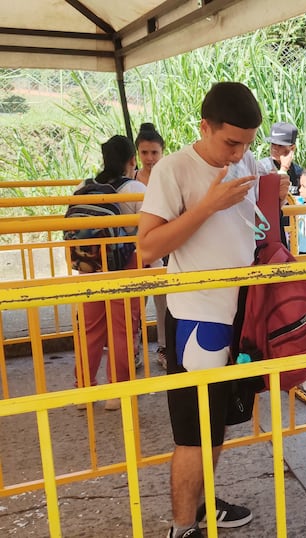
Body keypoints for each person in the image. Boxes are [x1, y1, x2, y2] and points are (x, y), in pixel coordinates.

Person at [138, 82, 268, 538]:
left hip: (239, 315)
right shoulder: (173, 169)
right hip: (197, 316)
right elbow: (147, 247)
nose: (239, 153)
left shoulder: (246, 162)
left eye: (247, 143)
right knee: (193, 434)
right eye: (231, 142)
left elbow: (248, 231)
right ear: (204, 127)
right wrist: (207, 207)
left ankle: (203, 503)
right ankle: (181, 526)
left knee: (217, 424)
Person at [75, 135, 146, 410]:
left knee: (90, 328)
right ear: (132, 160)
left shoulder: (83, 186)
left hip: (90, 266)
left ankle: (84, 389)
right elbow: (148, 228)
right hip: (124, 265)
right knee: (123, 329)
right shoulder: (135, 188)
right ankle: (118, 391)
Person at [134, 122, 169, 369]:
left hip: (164, 246)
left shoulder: (168, 177)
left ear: (162, 152)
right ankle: (133, 347)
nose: (149, 158)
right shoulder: (132, 180)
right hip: (137, 249)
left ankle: (164, 347)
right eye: (144, 153)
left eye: (154, 152)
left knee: (163, 299)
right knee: (136, 300)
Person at [257, 121, 303, 196]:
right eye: (273, 144)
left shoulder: (297, 172)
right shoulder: (261, 168)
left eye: (280, 145)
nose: (275, 148)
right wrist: (283, 169)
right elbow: (269, 196)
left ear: (292, 148)